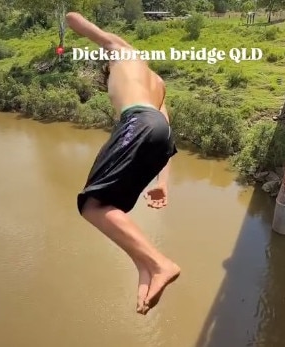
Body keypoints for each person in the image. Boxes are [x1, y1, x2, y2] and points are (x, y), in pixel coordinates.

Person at [65, 12, 181, 315]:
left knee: (92, 205)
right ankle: (144, 268)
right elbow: (165, 135)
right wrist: (163, 184)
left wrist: (81, 27)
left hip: (137, 121)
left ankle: (159, 264)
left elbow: (74, 18)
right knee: (112, 210)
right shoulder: (158, 84)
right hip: (158, 132)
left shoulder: (122, 51)